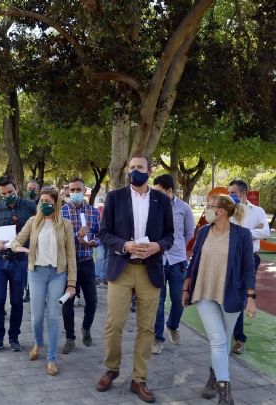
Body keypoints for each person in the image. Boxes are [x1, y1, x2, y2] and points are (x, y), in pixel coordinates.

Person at [96, 156, 174, 403]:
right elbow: (104, 233)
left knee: (146, 328)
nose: (134, 171)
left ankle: (139, 379)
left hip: (150, 270)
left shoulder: (161, 200)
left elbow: (170, 236)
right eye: (131, 168)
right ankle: (112, 369)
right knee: (114, 323)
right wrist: (124, 244)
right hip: (122, 268)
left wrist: (157, 247)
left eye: (139, 167)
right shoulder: (115, 197)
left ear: (150, 171)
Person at [182, 194, 256, 405]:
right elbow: (194, 260)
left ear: (221, 211)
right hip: (204, 292)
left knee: (222, 340)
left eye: (209, 206)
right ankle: (225, 392)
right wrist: (185, 288)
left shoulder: (242, 235)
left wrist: (251, 297)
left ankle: (213, 377)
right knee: (217, 339)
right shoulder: (204, 232)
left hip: (231, 295)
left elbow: (248, 268)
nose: (206, 209)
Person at [11, 186, 77, 375]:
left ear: (56, 203)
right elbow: (16, 240)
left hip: (57, 274)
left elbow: (71, 256)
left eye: (48, 201)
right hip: (36, 273)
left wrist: (71, 283)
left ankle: (51, 359)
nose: (44, 204)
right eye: (42, 201)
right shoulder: (33, 222)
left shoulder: (65, 224)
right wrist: (18, 248)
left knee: (54, 317)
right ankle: (38, 343)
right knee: (37, 317)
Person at [0, 175, 37, 353]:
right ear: (0, 194)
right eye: (4, 193)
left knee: (17, 301)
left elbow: (40, 227)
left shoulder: (30, 207)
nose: (8, 195)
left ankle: (14, 338)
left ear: (17, 188)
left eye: (11, 191)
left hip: (19, 262)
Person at [151, 174, 195, 354]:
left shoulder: (184, 208)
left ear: (169, 190)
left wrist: (179, 249)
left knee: (179, 299)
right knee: (158, 301)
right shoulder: (153, 207)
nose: (156, 195)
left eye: (159, 191)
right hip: (158, 260)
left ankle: (173, 325)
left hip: (177, 260)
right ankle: (157, 338)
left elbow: (189, 233)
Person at [227, 179, 270, 355]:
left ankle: (239, 338)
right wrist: (251, 232)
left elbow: (265, 232)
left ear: (243, 194)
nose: (230, 196)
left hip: (251, 259)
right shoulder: (228, 211)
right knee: (230, 295)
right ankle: (230, 334)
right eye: (229, 193)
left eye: (234, 193)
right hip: (229, 257)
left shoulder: (257, 211)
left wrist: (243, 233)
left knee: (242, 296)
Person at [61, 178, 100, 354]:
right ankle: (70, 338)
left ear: (85, 191)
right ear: (68, 192)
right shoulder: (61, 212)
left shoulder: (93, 212)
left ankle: (86, 328)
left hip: (86, 262)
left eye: (78, 189)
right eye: (72, 190)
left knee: (92, 300)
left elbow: (101, 234)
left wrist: (93, 242)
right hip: (68, 265)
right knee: (67, 302)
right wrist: (77, 235)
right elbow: (58, 238)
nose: (75, 193)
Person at [23, 180, 41, 303]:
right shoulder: (22, 203)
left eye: (34, 189)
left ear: (38, 190)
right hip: (25, 240)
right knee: (25, 268)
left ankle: (38, 293)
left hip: (39, 240)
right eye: (29, 188)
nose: (31, 191)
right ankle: (27, 291)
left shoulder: (42, 202)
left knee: (37, 267)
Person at [95, 204, 109, 287]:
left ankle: (104, 277)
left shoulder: (113, 210)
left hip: (108, 238)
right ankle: (97, 276)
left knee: (107, 257)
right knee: (100, 257)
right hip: (100, 237)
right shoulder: (99, 209)